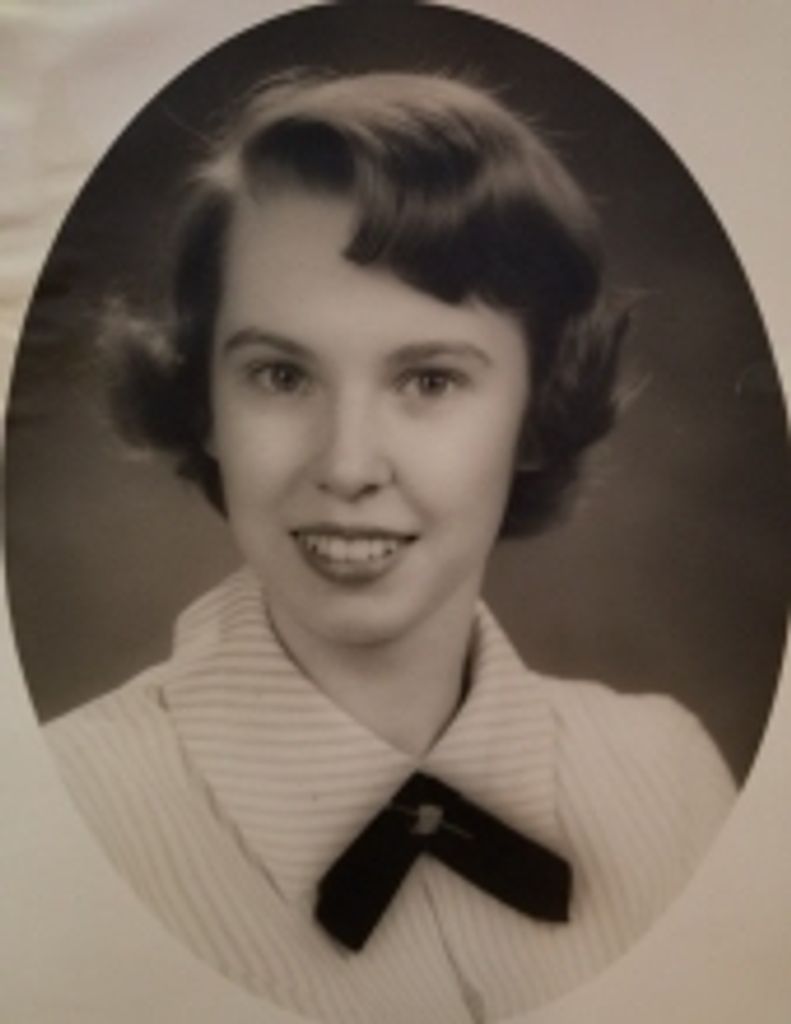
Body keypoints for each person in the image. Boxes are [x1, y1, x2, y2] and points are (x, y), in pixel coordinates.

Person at [47, 70, 735, 1023]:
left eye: (429, 381)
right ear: (205, 403)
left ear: (535, 411)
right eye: (280, 375)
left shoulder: (670, 777)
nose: (347, 466)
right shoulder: (53, 813)